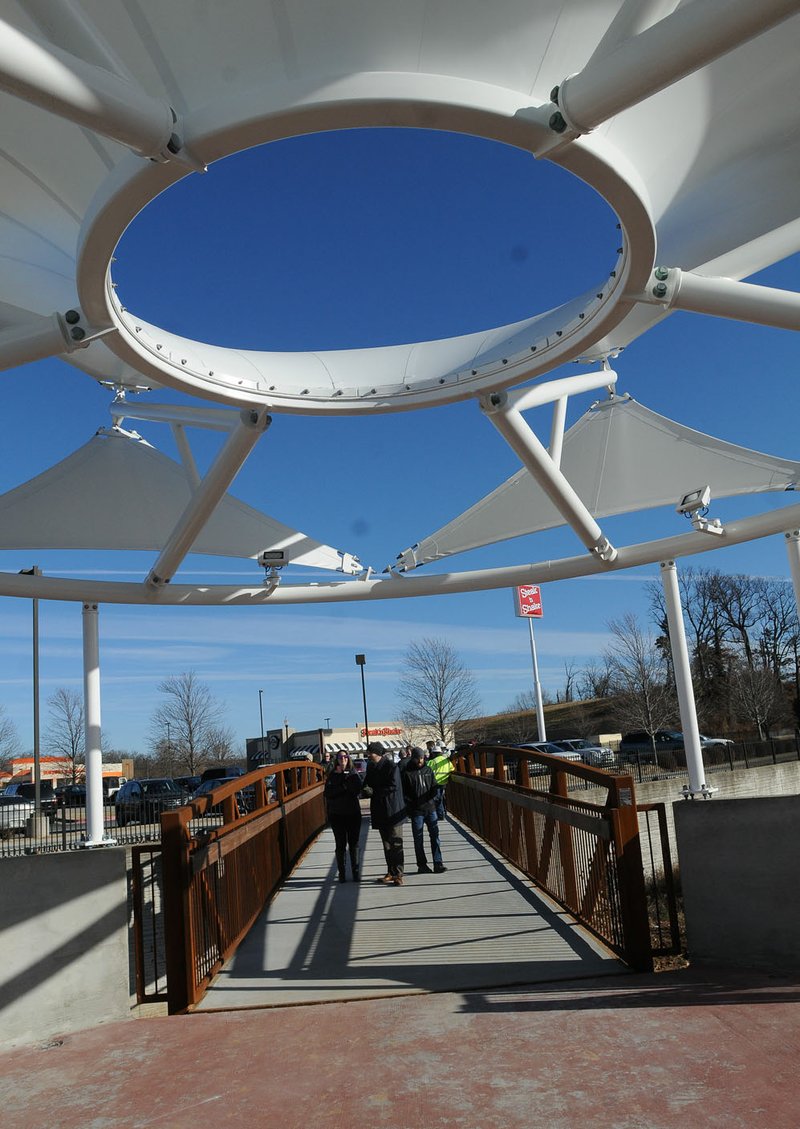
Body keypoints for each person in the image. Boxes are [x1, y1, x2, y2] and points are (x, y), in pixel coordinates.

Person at [364, 741, 406, 886]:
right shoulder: (371, 767)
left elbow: (393, 786)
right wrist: (365, 789)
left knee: (396, 842)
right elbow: (367, 782)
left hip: (392, 809)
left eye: (371, 753)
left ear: (378, 754)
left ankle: (399, 874)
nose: (368, 755)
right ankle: (391, 871)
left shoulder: (391, 766)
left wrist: (375, 791)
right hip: (379, 809)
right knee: (386, 844)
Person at [401, 747, 446, 874]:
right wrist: (410, 804)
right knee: (418, 839)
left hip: (430, 808)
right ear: (413, 758)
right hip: (416, 811)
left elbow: (434, 786)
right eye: (418, 758)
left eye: (422, 758)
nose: (420, 760)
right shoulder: (407, 773)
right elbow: (404, 792)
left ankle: (438, 863)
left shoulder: (428, 769)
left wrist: (434, 798)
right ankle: (422, 865)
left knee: (435, 836)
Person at [323, 751, 363, 882]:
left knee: (354, 844)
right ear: (337, 760)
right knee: (340, 844)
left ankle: (356, 872)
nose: (343, 759)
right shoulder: (332, 776)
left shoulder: (353, 773)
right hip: (337, 815)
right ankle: (342, 873)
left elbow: (357, 790)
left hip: (353, 814)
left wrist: (343, 787)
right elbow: (328, 793)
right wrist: (343, 787)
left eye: (346, 757)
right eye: (340, 757)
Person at [427, 745, 455, 821]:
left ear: (434, 753)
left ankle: (440, 814)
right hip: (444, 782)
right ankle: (442, 812)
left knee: (436, 799)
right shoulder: (447, 761)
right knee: (441, 798)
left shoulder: (432, 762)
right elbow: (452, 769)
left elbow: (427, 771)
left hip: (435, 783)